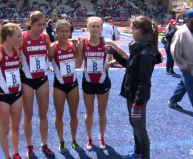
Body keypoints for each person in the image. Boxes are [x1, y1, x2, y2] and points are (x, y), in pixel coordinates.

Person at [104, 16, 161, 159]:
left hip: (137, 98)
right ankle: (137, 152)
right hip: (132, 94)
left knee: (140, 130)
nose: (130, 29)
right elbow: (129, 66)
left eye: (132, 27)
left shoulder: (145, 52)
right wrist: (114, 52)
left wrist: (138, 104)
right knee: (135, 126)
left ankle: (143, 156)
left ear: (139, 31)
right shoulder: (138, 46)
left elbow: (144, 82)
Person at [76, 16, 128, 151]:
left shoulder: (107, 42)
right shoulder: (83, 43)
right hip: (87, 81)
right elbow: (77, 64)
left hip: (103, 81)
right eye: (92, 26)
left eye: (97, 26)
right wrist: (74, 47)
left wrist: (110, 63)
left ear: (101, 28)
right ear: (87, 27)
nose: (95, 29)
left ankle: (101, 136)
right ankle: (89, 138)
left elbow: (125, 56)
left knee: (102, 112)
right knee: (89, 112)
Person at [0, 20, 24, 159]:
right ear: (8, 37)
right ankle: (7, 156)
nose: (21, 38)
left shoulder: (17, 50)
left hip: (17, 95)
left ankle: (15, 153)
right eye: (18, 36)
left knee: (15, 127)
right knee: (4, 129)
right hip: (2, 97)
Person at [19, 11, 54, 158]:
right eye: (39, 24)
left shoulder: (45, 37)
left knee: (43, 114)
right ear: (30, 24)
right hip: (27, 80)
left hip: (42, 80)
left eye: (44, 24)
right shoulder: (21, 38)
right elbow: (9, 50)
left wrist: (48, 65)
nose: (42, 27)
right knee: (28, 115)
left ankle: (44, 145)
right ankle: (29, 146)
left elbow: (50, 54)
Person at [48, 20, 82, 153]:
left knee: (74, 114)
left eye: (67, 31)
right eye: (61, 31)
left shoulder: (72, 45)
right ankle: (61, 141)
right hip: (59, 86)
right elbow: (45, 60)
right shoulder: (52, 46)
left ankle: (73, 139)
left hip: (73, 85)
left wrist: (79, 47)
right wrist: (50, 67)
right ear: (56, 32)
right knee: (59, 115)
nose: (64, 33)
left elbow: (78, 64)